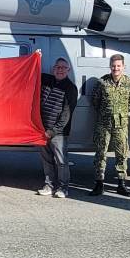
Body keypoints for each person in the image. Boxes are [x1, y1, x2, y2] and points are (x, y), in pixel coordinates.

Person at [89, 54, 130, 197]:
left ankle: (121, 184)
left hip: (121, 125)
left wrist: (120, 113)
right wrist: (106, 113)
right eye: (113, 65)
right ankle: (99, 184)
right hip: (103, 124)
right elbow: (95, 101)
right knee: (100, 154)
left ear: (123, 67)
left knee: (122, 154)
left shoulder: (129, 83)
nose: (115, 68)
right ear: (110, 66)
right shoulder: (102, 82)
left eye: (118, 66)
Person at [37, 58, 78, 198]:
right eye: (57, 67)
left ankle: (63, 188)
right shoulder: (47, 80)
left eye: (63, 67)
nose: (60, 69)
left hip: (58, 133)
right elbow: (31, 71)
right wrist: (36, 57)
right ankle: (49, 186)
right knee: (47, 160)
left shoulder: (70, 88)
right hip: (42, 130)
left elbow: (67, 114)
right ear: (53, 68)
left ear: (68, 70)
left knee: (61, 161)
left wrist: (52, 131)